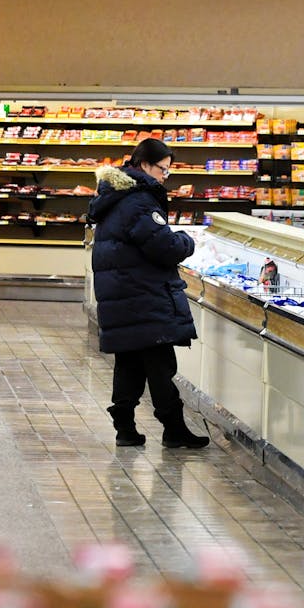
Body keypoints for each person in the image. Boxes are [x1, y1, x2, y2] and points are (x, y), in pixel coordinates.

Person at [88, 138, 209, 450]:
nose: (165, 177)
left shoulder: (118, 195)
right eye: (163, 170)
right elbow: (163, 246)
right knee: (160, 364)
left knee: (129, 362)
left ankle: (125, 429)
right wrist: (188, 241)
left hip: (123, 293)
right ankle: (174, 429)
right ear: (144, 165)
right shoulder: (139, 201)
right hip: (143, 295)